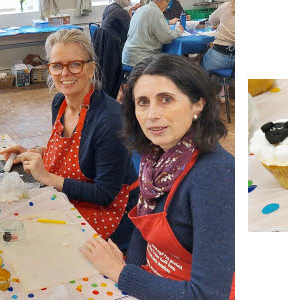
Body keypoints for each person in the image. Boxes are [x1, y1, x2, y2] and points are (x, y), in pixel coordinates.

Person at [81, 54, 235, 299]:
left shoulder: (216, 176)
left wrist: (120, 273)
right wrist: (130, 272)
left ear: (198, 104)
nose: (152, 114)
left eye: (166, 99)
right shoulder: (156, 156)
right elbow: (144, 233)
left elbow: (206, 295)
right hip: (153, 279)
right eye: (143, 102)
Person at [0, 29, 139, 249]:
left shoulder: (110, 120)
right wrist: (34, 153)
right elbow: (75, 153)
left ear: (91, 68)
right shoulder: (59, 103)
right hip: (69, 197)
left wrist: (46, 177)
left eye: (75, 64)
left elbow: (105, 195)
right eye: (57, 65)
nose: (65, 73)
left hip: (108, 213)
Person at [121, 0, 183, 67]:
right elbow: (167, 37)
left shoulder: (141, 9)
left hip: (128, 57)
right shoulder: (155, 12)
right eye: (167, 3)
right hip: (140, 59)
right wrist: (179, 30)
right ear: (163, 1)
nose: (167, 6)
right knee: (172, 66)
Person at [201, 0, 235, 72]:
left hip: (219, 55)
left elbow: (212, 21)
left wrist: (222, 23)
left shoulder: (226, 6)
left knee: (201, 69)